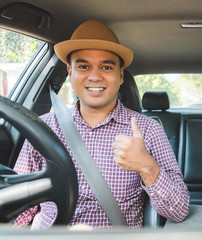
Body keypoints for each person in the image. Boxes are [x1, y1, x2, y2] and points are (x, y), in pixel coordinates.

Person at [13, 20, 190, 229]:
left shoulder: (148, 129)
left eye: (106, 67)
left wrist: (146, 165)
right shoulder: (44, 128)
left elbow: (179, 211)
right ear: (70, 73)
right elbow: (20, 203)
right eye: (83, 66)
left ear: (121, 75)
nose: (95, 76)